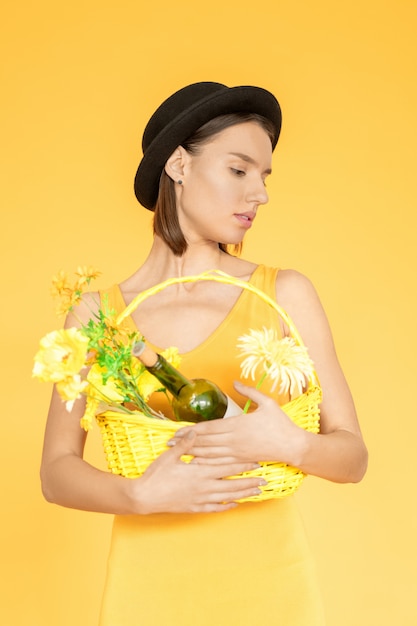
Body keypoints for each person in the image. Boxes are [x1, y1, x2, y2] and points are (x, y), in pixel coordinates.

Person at [41, 81, 368, 625]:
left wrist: (289, 442)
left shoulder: (284, 294)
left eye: (263, 177)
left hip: (271, 587)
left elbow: (352, 457)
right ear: (178, 165)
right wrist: (140, 497)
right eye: (239, 170)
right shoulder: (97, 317)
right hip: (146, 591)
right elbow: (55, 472)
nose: (258, 194)